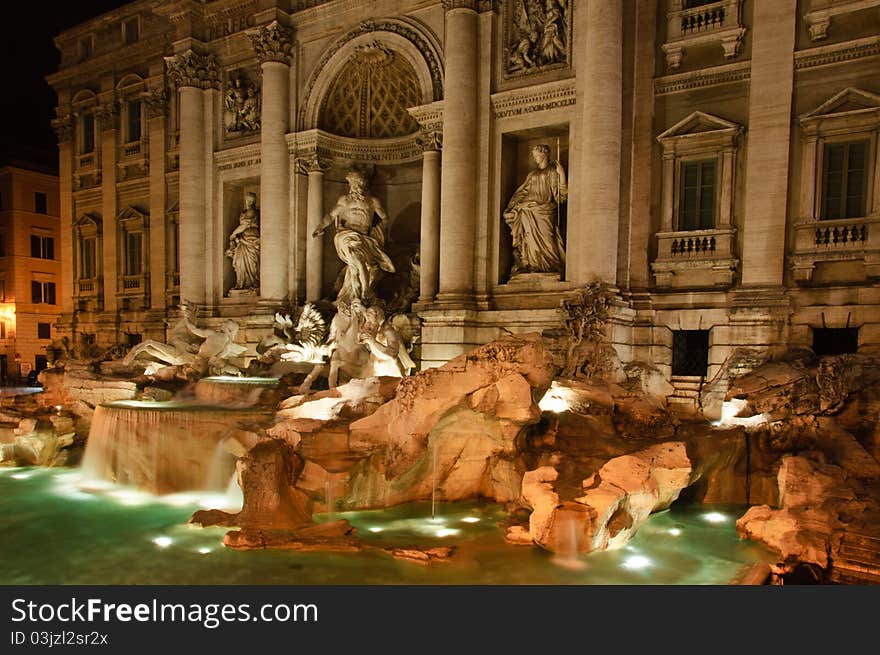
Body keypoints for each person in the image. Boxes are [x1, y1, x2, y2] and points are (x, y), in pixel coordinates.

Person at [312, 169, 395, 304]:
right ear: (350, 184)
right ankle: (365, 292)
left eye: (359, 183)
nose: (356, 187)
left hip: (364, 238)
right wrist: (320, 227)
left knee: (356, 267)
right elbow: (331, 216)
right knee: (358, 262)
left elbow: (385, 218)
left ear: (364, 184)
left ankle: (357, 294)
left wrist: (378, 231)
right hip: (347, 236)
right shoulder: (344, 200)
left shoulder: (373, 201)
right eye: (354, 183)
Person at [503, 143, 567, 276]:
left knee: (548, 241)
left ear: (544, 154)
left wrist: (562, 176)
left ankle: (550, 266)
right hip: (528, 210)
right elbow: (522, 192)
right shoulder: (532, 174)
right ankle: (531, 264)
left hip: (545, 210)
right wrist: (512, 207)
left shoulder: (552, 172)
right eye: (534, 155)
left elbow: (559, 196)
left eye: (537, 155)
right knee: (529, 239)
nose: (535, 158)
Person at [226, 192, 260, 290]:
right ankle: (242, 283)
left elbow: (245, 225)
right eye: (247, 200)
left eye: (250, 200)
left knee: (251, 261)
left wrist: (233, 234)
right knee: (239, 261)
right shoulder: (245, 212)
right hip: (243, 238)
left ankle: (252, 282)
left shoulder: (252, 212)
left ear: (253, 201)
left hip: (251, 236)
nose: (248, 202)